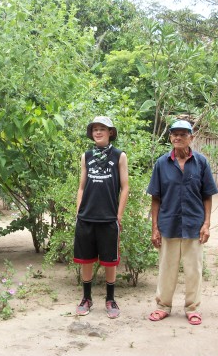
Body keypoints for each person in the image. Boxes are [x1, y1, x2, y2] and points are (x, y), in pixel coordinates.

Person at [147, 119, 218, 325]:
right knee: (166, 268)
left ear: (191, 138)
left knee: (193, 269)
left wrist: (206, 224)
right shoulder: (162, 163)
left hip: (193, 225)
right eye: (174, 134)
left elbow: (207, 195)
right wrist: (155, 228)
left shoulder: (201, 162)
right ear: (170, 137)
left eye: (183, 134)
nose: (178, 137)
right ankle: (163, 306)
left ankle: (192, 308)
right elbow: (156, 198)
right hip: (168, 224)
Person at [73, 116, 129, 319]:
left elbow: (125, 187)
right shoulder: (86, 156)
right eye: (95, 129)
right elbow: (81, 187)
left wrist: (118, 215)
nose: (98, 132)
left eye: (102, 129)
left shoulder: (119, 156)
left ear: (110, 132)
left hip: (108, 218)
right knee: (86, 260)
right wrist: (79, 212)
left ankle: (110, 299)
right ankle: (86, 298)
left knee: (110, 261)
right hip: (86, 217)